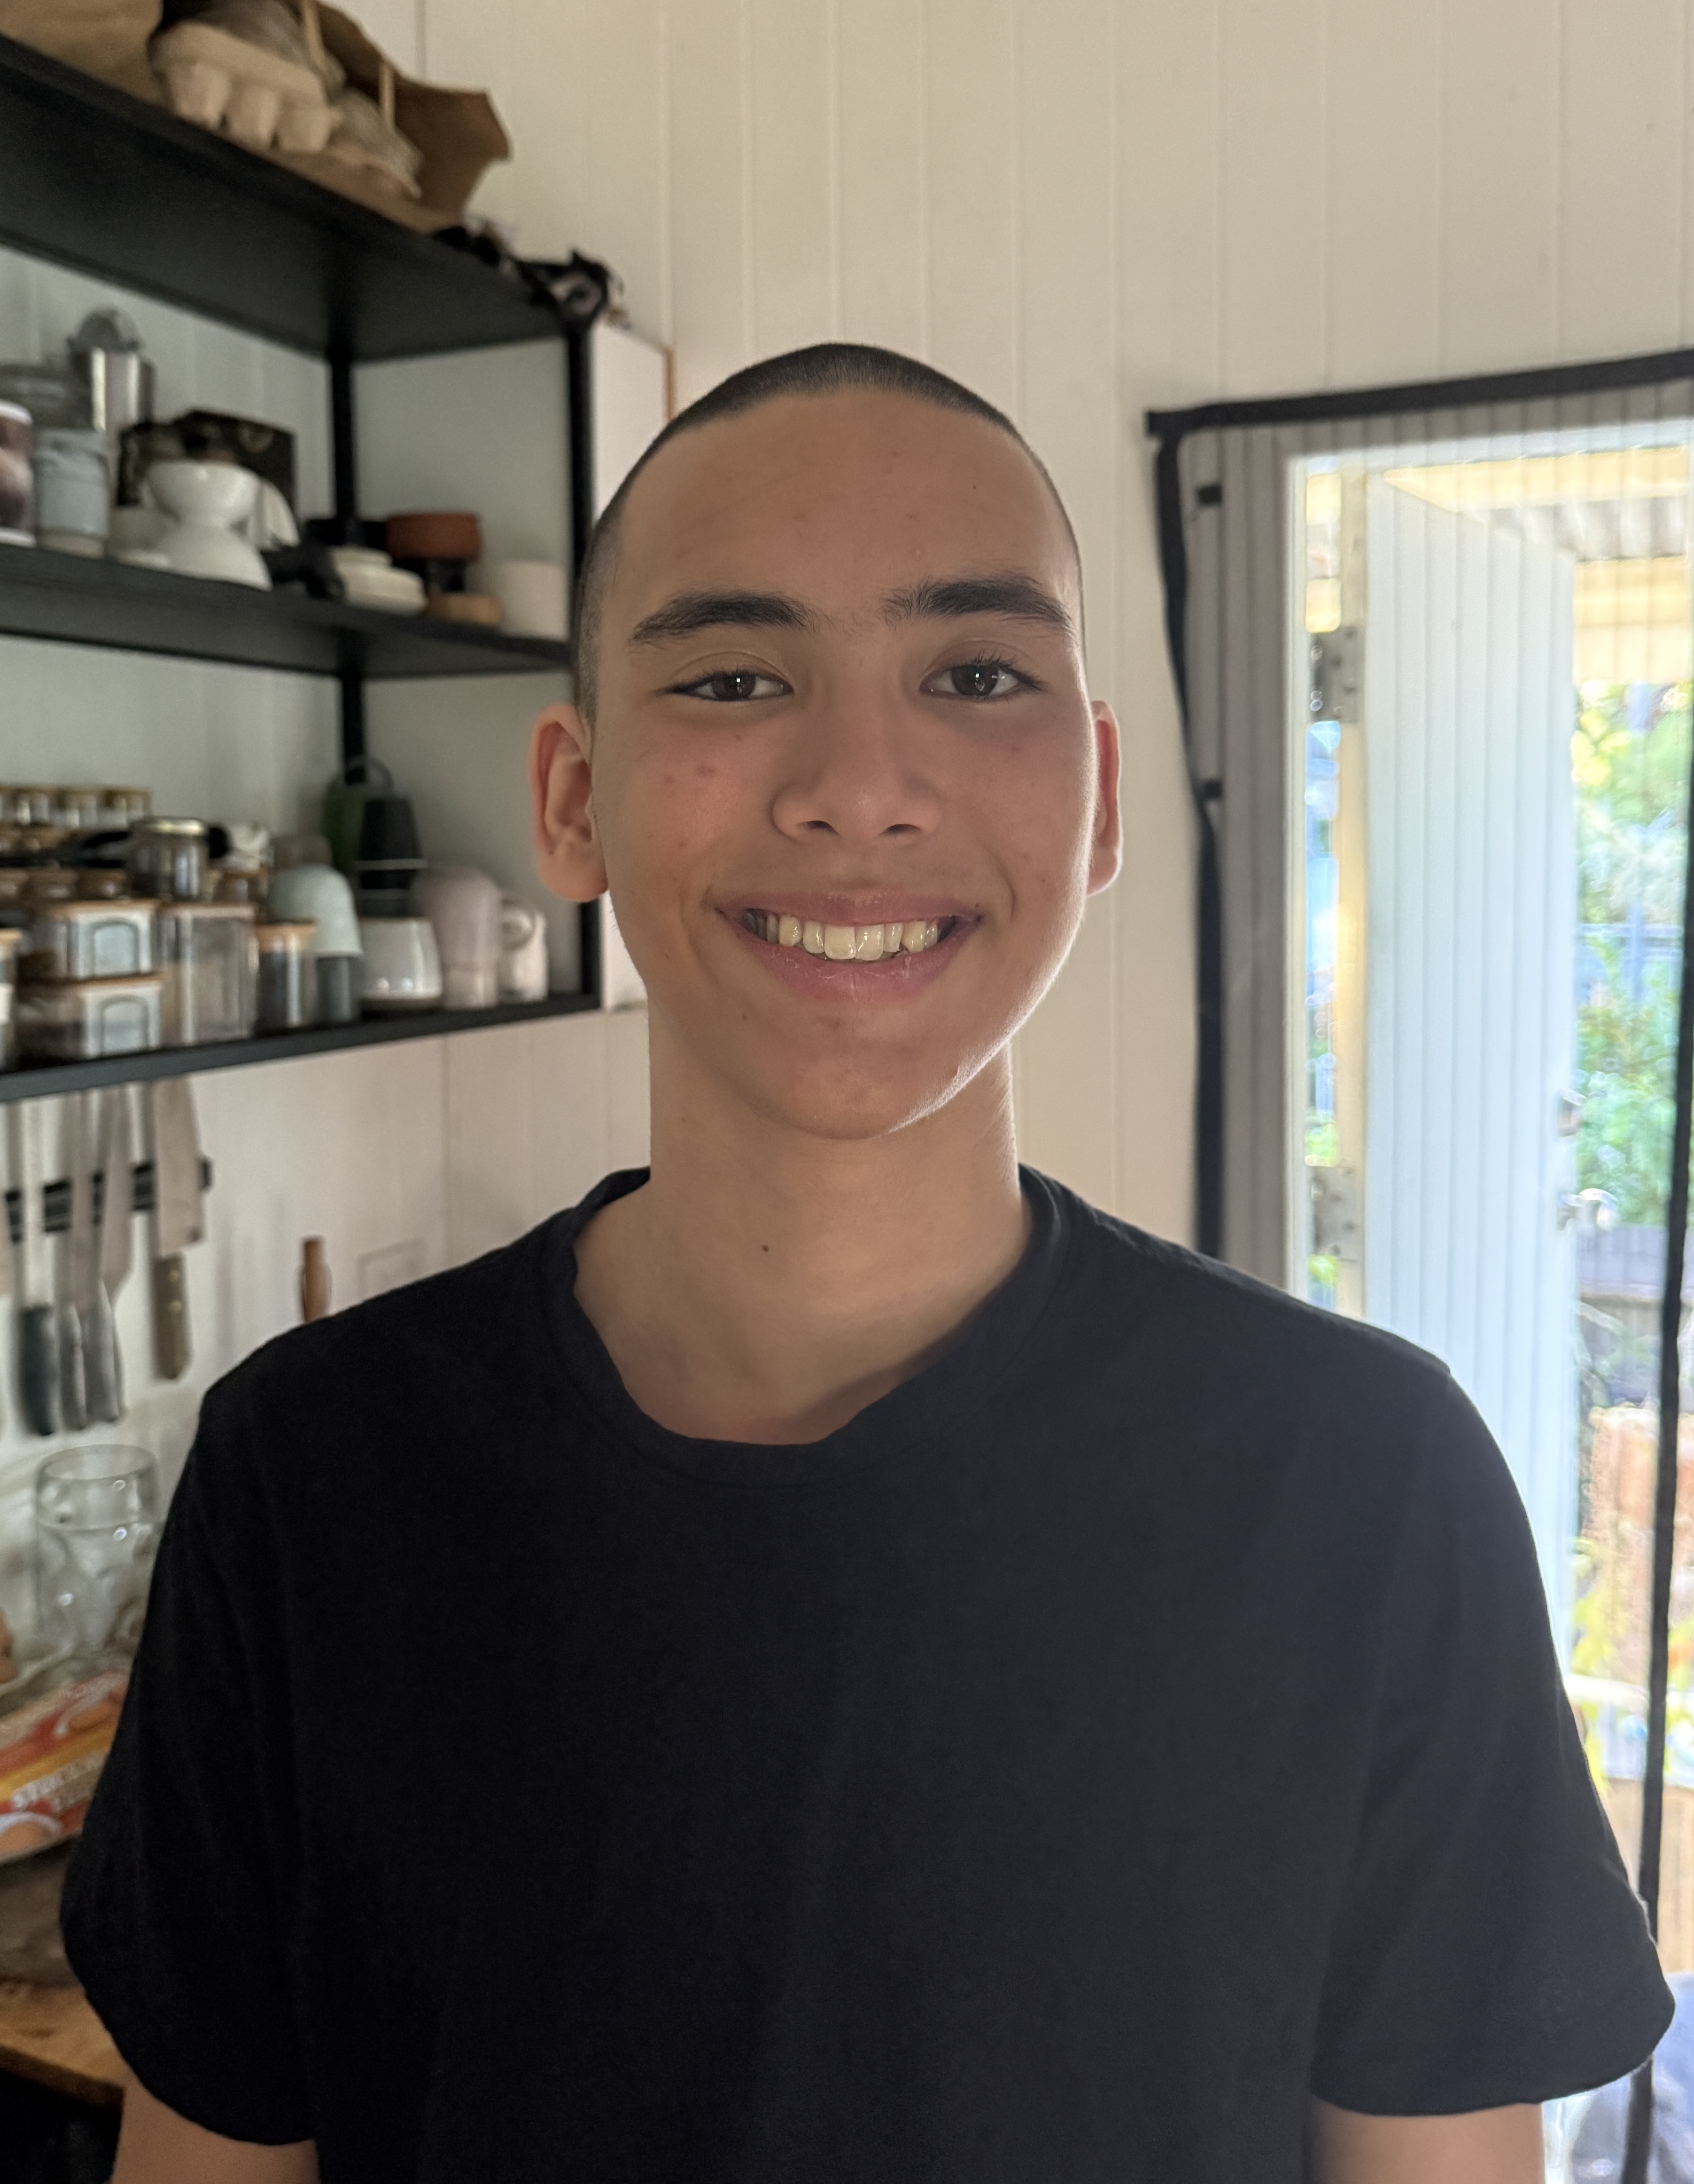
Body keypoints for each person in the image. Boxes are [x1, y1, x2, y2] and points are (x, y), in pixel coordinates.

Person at [67, 344, 1669, 2184]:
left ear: (1098, 793)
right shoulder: (311, 1473)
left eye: (974, 675)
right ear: (573, 798)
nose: (858, 787)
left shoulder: (1361, 1484)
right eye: (734, 677)